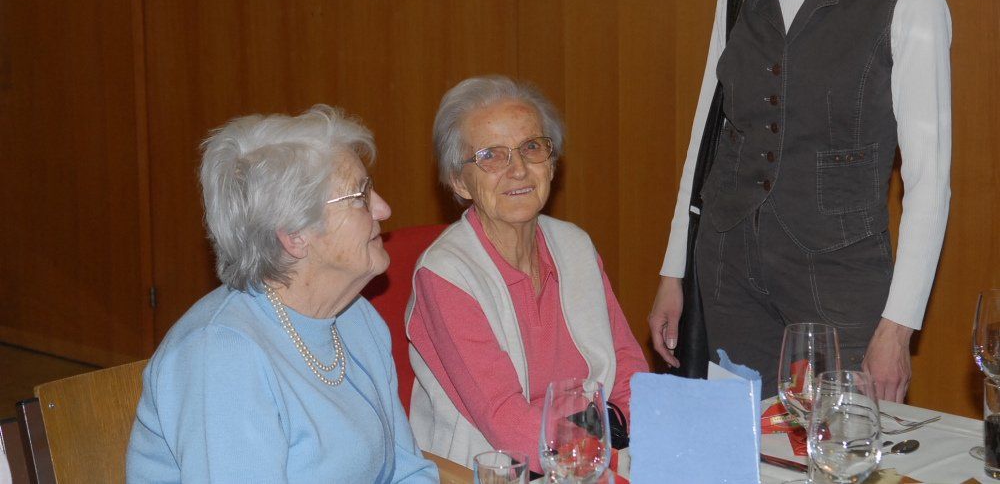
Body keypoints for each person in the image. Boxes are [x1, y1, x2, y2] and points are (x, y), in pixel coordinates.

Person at [648, 0, 951, 401]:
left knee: (843, 443)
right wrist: (674, 272)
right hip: (728, 268)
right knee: (742, 444)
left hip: (840, 277)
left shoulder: (909, 1)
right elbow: (706, 141)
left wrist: (898, 329)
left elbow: (929, 183)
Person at [126, 105, 437, 483]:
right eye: (359, 197)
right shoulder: (221, 356)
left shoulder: (358, 318)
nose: (383, 209)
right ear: (295, 236)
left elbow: (406, 469)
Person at [406, 75, 649, 470]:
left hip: (594, 459)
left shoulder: (575, 245)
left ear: (551, 164)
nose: (518, 169)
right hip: (491, 471)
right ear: (459, 181)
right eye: (491, 155)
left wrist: (629, 439)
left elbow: (627, 368)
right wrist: (603, 449)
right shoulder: (446, 275)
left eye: (532, 147)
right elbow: (505, 420)